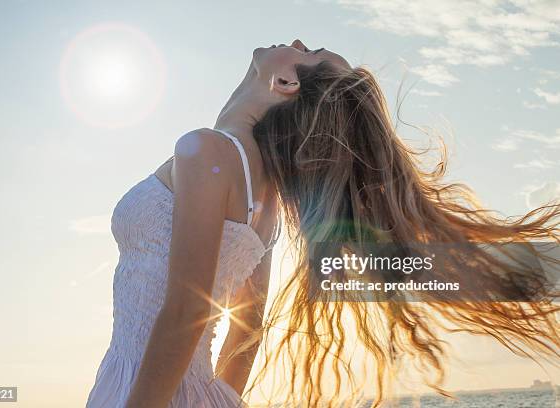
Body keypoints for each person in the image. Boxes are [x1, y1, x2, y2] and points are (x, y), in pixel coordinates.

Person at [87, 39, 559, 408]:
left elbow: (187, 311)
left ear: (286, 85)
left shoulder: (207, 150)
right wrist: (218, 399)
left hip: (142, 390)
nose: (295, 41)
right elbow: (248, 326)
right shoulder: (266, 193)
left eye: (308, 52)